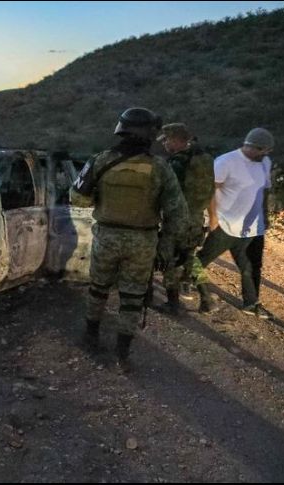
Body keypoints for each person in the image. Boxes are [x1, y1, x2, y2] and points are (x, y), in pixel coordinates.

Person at [71, 107, 187, 371]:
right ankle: (122, 355)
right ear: (149, 134)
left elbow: (77, 197)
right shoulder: (160, 167)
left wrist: (102, 200)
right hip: (142, 242)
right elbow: (177, 213)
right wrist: (168, 246)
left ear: (120, 129)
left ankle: (90, 336)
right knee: (133, 298)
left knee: (98, 288)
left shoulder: (100, 160)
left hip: (107, 237)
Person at [191, 128, 274, 318]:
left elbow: (264, 190)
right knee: (199, 261)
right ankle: (187, 285)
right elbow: (210, 189)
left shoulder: (265, 162)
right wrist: (212, 218)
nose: (267, 155)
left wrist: (265, 215)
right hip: (225, 225)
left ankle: (251, 304)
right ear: (254, 147)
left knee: (248, 267)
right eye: (265, 151)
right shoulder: (226, 162)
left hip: (250, 229)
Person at [156, 123, 214, 313]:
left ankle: (173, 303)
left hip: (178, 219)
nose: (164, 143)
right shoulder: (203, 158)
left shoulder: (178, 162)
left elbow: (169, 192)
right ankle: (206, 298)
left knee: (170, 259)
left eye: (166, 139)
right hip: (196, 218)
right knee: (190, 258)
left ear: (176, 139)